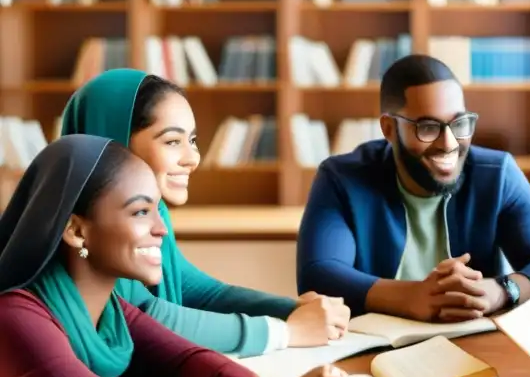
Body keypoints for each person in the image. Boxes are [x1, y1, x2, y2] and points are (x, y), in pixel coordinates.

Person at [0, 135, 367, 377]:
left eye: (158, 209)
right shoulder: (14, 320)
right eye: (141, 212)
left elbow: (186, 363)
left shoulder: (108, 310)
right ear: (76, 230)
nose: (162, 229)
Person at [60, 69, 349, 357]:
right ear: (114, 142)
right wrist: (287, 332)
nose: (193, 159)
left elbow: (200, 292)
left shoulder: (153, 213)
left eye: (193, 140)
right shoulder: (85, 226)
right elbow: (142, 318)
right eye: (173, 141)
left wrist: (292, 310)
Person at [296, 54, 530, 320]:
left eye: (459, 123)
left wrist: (500, 291)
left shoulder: (496, 175)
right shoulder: (342, 178)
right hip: (372, 349)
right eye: (428, 127)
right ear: (389, 129)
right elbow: (319, 275)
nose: (449, 143)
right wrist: (411, 297)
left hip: (474, 346)